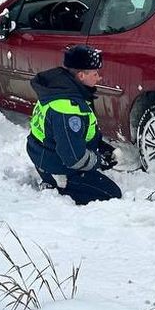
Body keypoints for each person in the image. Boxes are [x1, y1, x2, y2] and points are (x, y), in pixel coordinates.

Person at [26, 44, 122, 205]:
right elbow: (73, 157)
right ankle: (58, 184)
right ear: (82, 75)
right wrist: (99, 161)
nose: (99, 77)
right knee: (112, 194)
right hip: (56, 164)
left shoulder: (65, 89)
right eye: (95, 73)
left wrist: (102, 147)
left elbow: (79, 134)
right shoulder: (68, 108)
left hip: (44, 154)